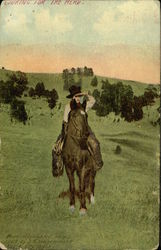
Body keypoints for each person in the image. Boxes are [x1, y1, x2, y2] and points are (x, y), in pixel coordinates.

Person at [56, 85, 103, 171]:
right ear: (73, 97)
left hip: (85, 129)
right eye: (76, 96)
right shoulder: (68, 107)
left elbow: (93, 101)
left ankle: (97, 164)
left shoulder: (84, 105)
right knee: (58, 146)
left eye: (79, 96)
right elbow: (65, 121)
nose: (78, 98)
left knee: (95, 144)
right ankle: (59, 165)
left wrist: (86, 94)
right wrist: (65, 133)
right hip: (71, 128)